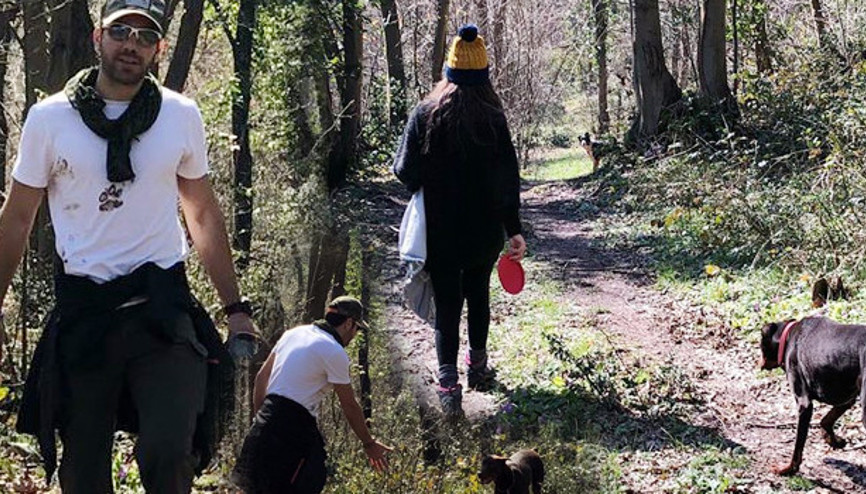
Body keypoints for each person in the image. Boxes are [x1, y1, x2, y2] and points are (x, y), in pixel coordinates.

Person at [0, 0, 256, 492]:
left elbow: (200, 211)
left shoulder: (180, 116)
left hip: (160, 308)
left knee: (169, 450)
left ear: (158, 50)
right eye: (121, 32)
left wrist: (235, 307)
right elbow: (16, 219)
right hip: (85, 311)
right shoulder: (49, 120)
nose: (131, 45)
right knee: (83, 471)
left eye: (144, 36)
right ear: (98, 39)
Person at [393, 24, 526, 418]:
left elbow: (405, 170)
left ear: (448, 71)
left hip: (441, 233)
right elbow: (508, 178)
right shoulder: (493, 119)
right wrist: (513, 228)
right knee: (479, 294)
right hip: (483, 233)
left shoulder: (425, 114)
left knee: (448, 302)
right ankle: (478, 367)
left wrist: (426, 185)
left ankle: (448, 385)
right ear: (484, 74)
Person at [231, 296, 392, 494]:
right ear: (349, 323)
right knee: (310, 479)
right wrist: (369, 444)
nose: (354, 335)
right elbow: (349, 405)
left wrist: (260, 420)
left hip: (265, 419)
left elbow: (261, 378)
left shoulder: (294, 333)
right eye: (357, 329)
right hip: (293, 429)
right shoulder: (334, 351)